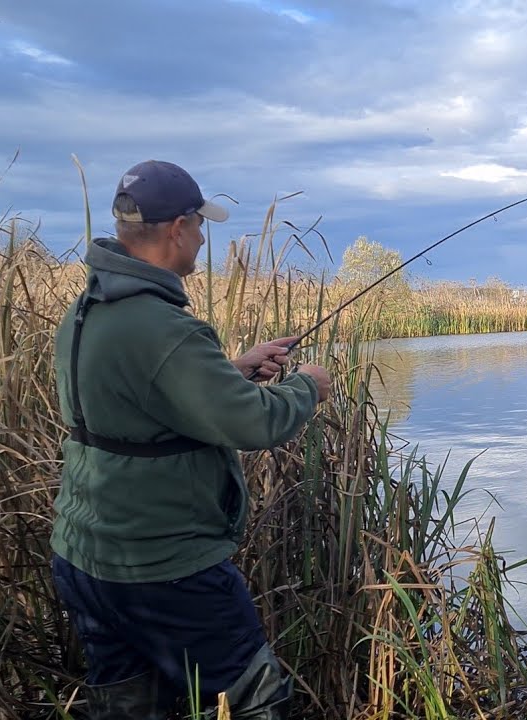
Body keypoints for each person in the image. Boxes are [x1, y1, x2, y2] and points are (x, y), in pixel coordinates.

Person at [48, 159, 332, 719]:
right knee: (253, 699)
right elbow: (255, 425)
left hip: (85, 557)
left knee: (129, 704)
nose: (202, 239)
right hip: (162, 562)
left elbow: (134, 409)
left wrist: (232, 371)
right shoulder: (163, 327)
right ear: (178, 227)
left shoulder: (86, 313)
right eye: (200, 226)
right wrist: (307, 388)